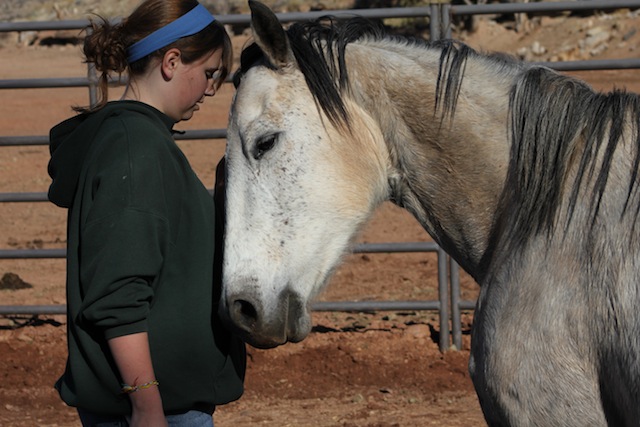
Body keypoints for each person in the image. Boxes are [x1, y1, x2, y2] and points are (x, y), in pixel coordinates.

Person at [47, 0, 245, 425]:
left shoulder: (136, 140)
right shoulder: (136, 149)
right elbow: (119, 294)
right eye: (210, 73)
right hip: (156, 411)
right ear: (172, 61)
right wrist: (146, 403)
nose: (211, 90)